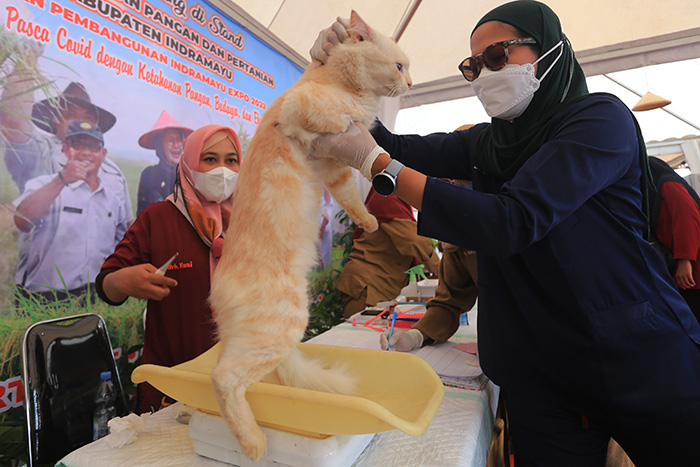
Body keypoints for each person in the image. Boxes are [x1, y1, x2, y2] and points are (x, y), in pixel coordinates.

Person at [312, 1, 700, 465]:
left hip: (638, 358)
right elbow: (393, 144)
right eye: (473, 66)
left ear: (550, 50)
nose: (483, 75)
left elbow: (514, 221)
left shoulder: (598, 120)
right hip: (543, 378)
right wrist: (340, 75)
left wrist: (379, 167)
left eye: (497, 57)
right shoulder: (486, 143)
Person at [96, 124, 241, 414]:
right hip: (173, 380)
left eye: (231, 160)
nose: (222, 170)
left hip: (240, 374)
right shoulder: (159, 218)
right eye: (210, 159)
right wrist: (124, 282)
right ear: (188, 162)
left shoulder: (252, 221)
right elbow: (106, 285)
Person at [12, 120, 131, 302]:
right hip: (45, 299)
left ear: (103, 154)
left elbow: (122, 246)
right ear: (66, 148)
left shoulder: (113, 199)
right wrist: (62, 179)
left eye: (93, 147)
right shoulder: (43, 185)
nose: (85, 153)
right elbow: (22, 221)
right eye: (78, 145)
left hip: (95, 296)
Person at [0, 64, 116, 192]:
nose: (81, 122)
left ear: (96, 123)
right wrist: (24, 67)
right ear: (55, 119)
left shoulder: (112, 171)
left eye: (88, 117)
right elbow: (13, 121)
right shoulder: (40, 150)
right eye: (71, 114)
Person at [335, 187, 439, 319]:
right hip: (367, 287)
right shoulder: (385, 196)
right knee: (363, 334)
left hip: (380, 284)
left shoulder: (395, 198)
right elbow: (413, 240)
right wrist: (442, 271)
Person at [648, 156, 700, 324]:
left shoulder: (667, 184)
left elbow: (687, 219)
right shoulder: (660, 188)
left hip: (693, 267)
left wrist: (685, 260)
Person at [136, 110, 193, 215]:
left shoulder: (190, 177)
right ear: (160, 146)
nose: (176, 145)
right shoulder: (149, 175)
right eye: (170, 141)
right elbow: (142, 217)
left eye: (179, 140)